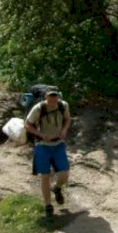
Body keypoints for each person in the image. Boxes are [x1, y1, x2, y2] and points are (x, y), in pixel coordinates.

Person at [25, 88, 72, 220]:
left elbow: (68, 119)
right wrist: (41, 135)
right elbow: (27, 125)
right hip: (42, 146)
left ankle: (57, 188)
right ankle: (48, 205)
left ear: (58, 96)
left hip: (58, 144)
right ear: (45, 97)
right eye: (50, 98)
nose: (52, 101)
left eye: (55, 97)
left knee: (65, 172)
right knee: (45, 176)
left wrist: (64, 130)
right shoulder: (38, 108)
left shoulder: (63, 106)